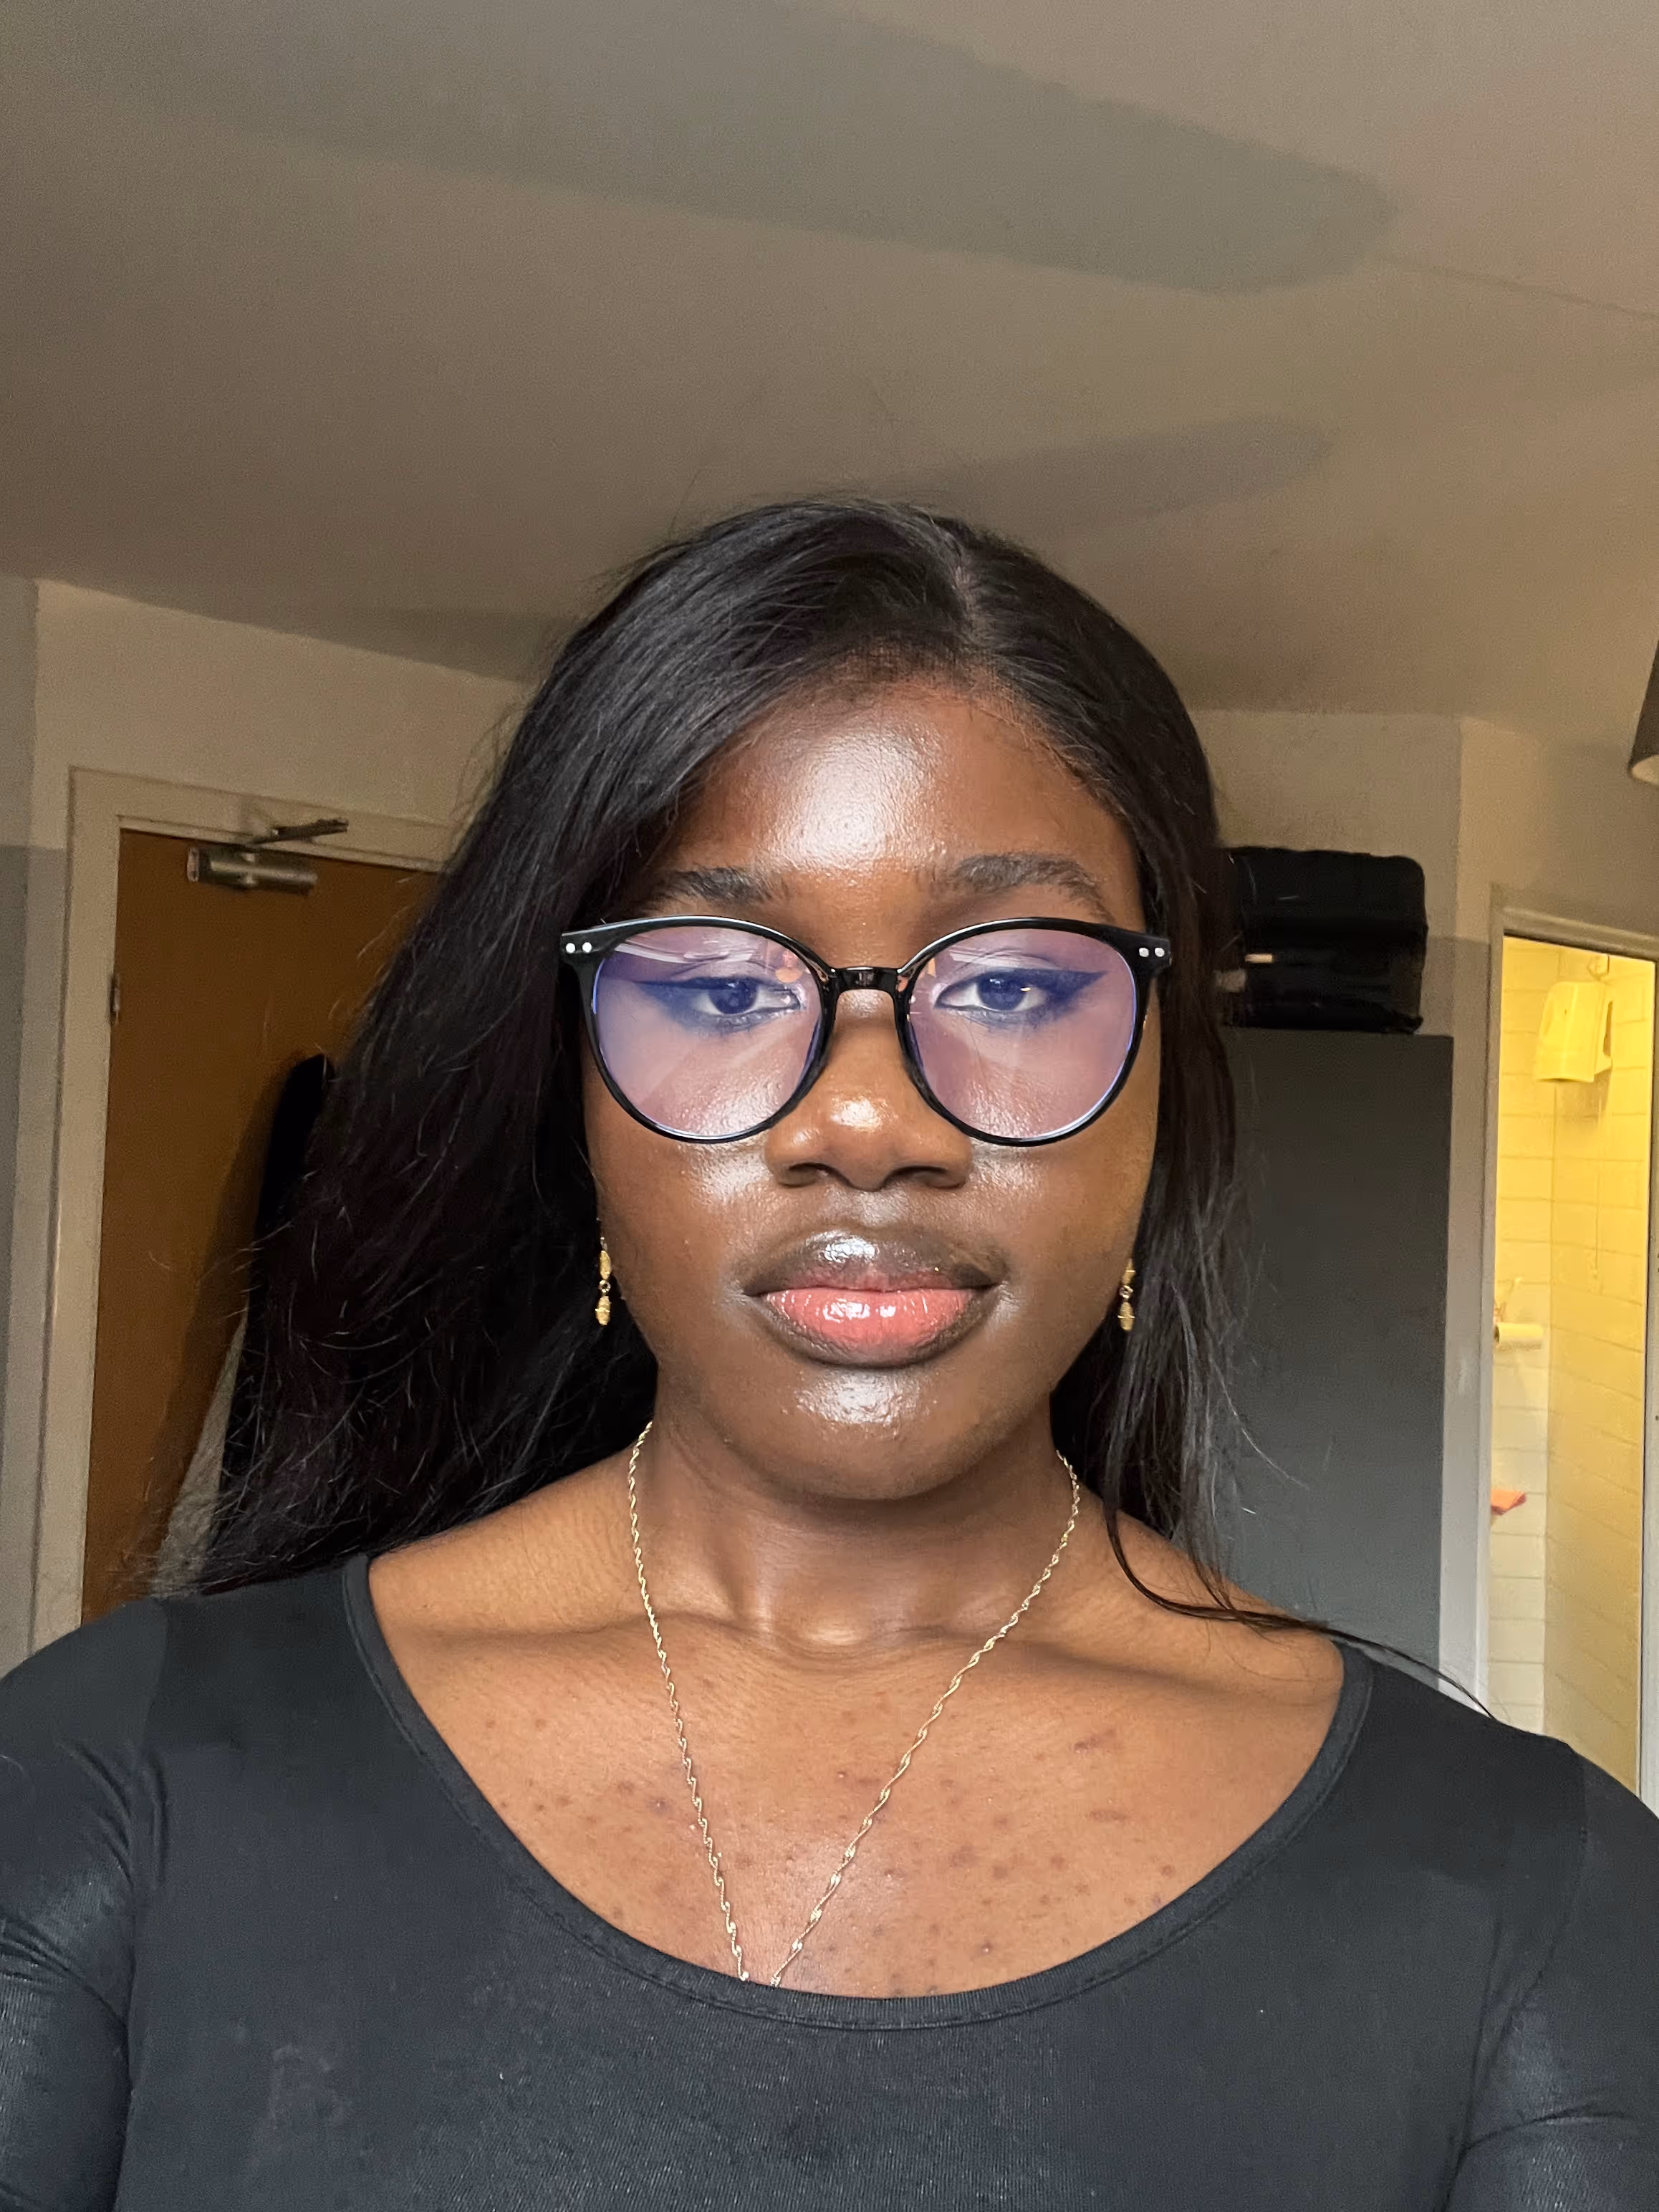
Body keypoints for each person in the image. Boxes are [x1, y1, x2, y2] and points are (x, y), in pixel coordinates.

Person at [1, 501, 1655, 2208]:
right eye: (718, 986)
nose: (867, 1118)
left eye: (1014, 987)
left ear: (1167, 1094)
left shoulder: (1529, 1890)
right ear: (574, 1094)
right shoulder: (119, 1777)